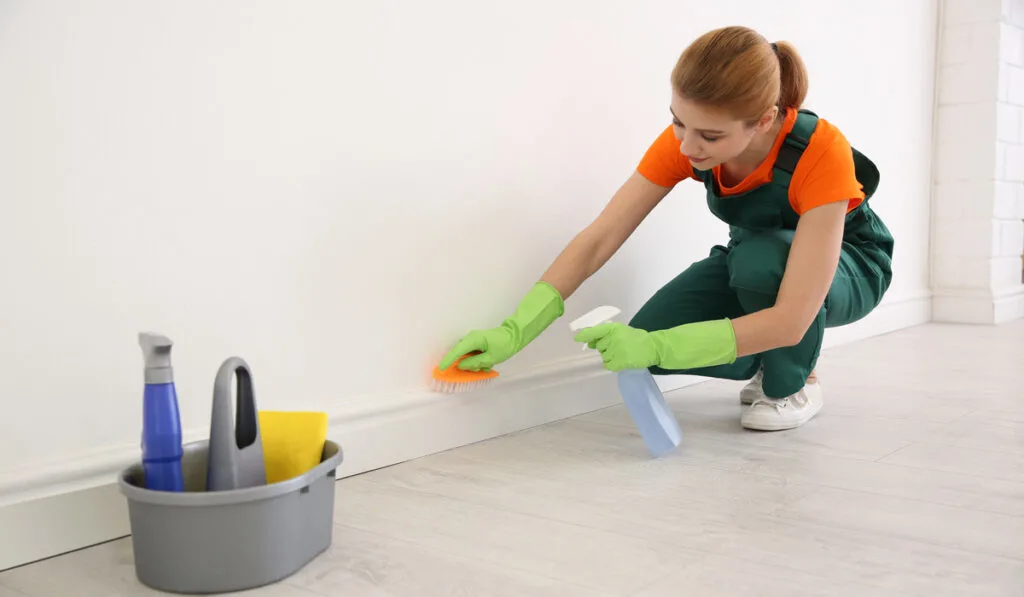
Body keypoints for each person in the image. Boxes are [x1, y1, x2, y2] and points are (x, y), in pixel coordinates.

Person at [437, 25, 894, 431]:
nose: (688, 145)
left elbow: (794, 316)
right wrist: (514, 330)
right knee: (652, 331)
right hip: (753, 259)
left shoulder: (821, 152)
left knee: (757, 268)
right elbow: (600, 237)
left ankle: (793, 383)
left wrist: (662, 347)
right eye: (678, 121)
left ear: (764, 121)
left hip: (850, 269)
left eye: (710, 136)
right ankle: (768, 360)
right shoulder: (690, 136)